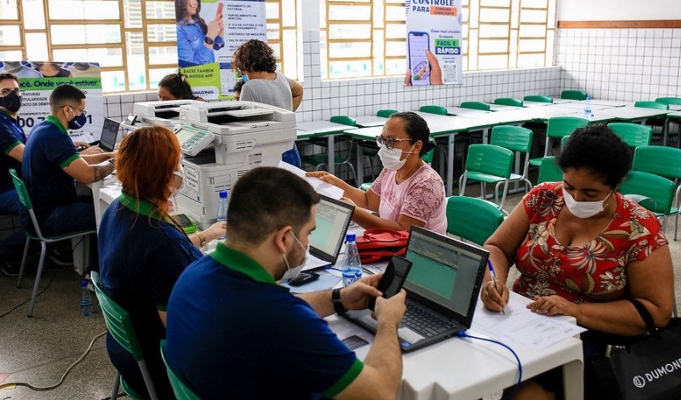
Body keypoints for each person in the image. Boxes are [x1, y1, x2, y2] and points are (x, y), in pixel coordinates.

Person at [165, 166, 407, 399]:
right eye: (309, 233)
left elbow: (273, 308)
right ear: (283, 238)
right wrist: (388, 321)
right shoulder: (280, 320)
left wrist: (338, 298)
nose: (309, 243)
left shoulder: (193, 273)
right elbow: (380, 392)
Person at [480, 125, 674, 400]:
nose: (576, 199)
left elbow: (656, 310)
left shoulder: (638, 228)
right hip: (520, 320)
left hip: (587, 334)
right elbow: (497, 247)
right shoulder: (544, 198)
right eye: (569, 187)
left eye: (591, 193)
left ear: (617, 183)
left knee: (527, 396)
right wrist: (495, 280)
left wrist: (576, 311)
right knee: (458, 370)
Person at [98, 126, 226, 399]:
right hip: (161, 369)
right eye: (178, 163)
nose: (181, 169)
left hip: (128, 354)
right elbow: (185, 331)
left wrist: (203, 237)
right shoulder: (163, 244)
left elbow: (150, 263)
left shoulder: (119, 209)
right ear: (166, 175)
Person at [22, 84, 115, 268]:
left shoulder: (43, 128)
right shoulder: (55, 137)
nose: (82, 115)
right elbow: (88, 175)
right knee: (109, 214)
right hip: (50, 217)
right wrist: (118, 163)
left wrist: (109, 155)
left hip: (38, 211)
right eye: (81, 110)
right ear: (67, 110)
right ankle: (95, 274)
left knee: (95, 204)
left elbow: (75, 158)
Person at [308, 111, 447, 234]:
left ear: (416, 147)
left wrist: (354, 212)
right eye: (383, 140)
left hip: (421, 255)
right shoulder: (391, 170)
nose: (385, 147)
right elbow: (368, 201)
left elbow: (404, 232)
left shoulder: (426, 183)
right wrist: (335, 183)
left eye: (391, 141)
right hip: (392, 247)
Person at [233, 39, 303, 166]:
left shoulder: (250, 87)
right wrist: (287, 114)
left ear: (247, 64)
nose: (243, 73)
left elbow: (244, 126)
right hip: (291, 150)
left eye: (242, 70)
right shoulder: (280, 77)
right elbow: (299, 90)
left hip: (268, 154)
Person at [0, 73, 29, 274]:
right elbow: (26, 156)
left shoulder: (10, 121)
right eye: (5, 91)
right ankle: (6, 252)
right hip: (4, 191)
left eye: (16, 90)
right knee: (42, 206)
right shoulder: (1, 125)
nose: (13, 95)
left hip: (13, 185)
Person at [176, 0, 224, 67]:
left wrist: (219, 30)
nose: (195, 3)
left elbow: (216, 46)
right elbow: (190, 67)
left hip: (212, 74)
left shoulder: (200, 22)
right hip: (201, 76)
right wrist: (209, 37)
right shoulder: (179, 29)